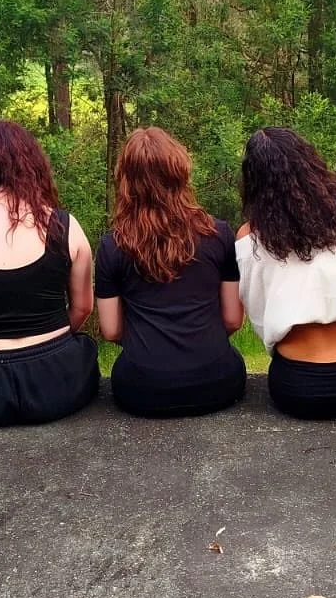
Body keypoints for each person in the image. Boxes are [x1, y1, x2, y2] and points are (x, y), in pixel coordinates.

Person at [0, 120, 98, 425]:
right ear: (33, 164)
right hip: (60, 383)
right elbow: (83, 308)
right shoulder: (64, 225)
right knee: (85, 347)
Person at [236, 127, 336, 420]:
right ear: (311, 164)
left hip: (296, 387)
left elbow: (260, 317)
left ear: (252, 181)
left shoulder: (249, 240)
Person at [96, 127, 246, 417]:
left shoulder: (111, 247)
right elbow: (232, 319)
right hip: (218, 382)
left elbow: (111, 330)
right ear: (180, 173)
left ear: (125, 181)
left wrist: (148, 347)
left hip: (142, 389)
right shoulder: (219, 234)